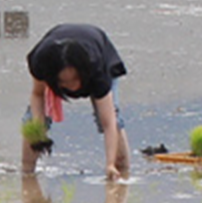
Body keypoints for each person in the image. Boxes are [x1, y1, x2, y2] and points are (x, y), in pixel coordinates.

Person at [23, 22, 130, 178]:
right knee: (31, 120)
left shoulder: (97, 70)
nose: (71, 87)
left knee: (114, 118)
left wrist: (109, 164)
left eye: (75, 80)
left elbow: (109, 123)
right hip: (52, 53)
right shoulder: (42, 63)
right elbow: (38, 95)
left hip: (100, 49)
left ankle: (122, 170)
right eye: (63, 82)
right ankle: (27, 172)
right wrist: (39, 134)